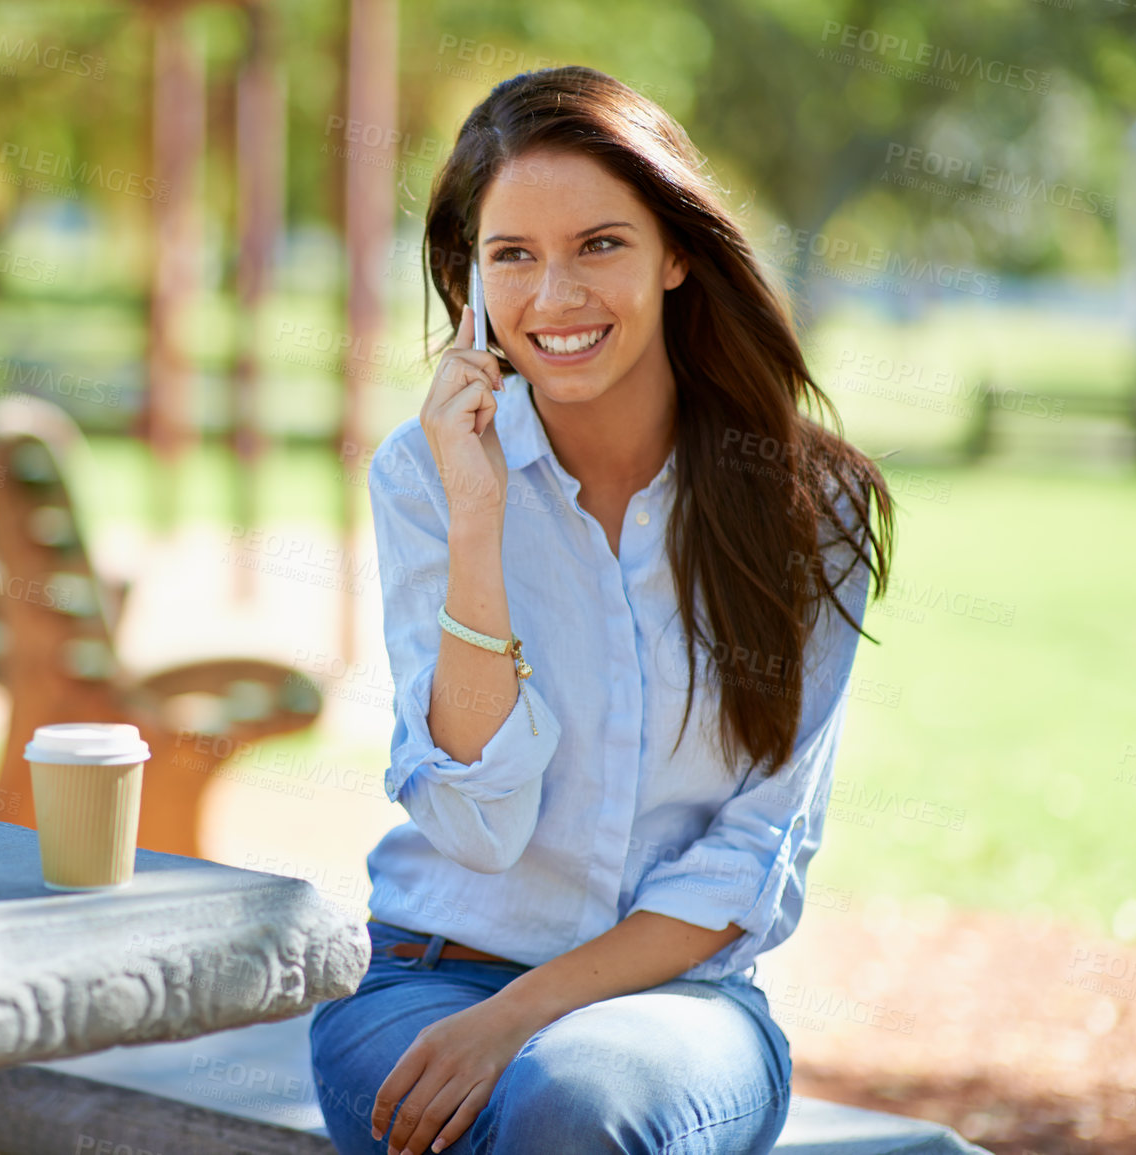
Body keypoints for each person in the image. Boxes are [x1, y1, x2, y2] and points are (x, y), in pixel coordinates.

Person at [308, 65, 895, 1155]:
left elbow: (749, 858)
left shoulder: (810, 506)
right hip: (425, 982)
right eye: (513, 256)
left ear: (677, 253)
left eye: (600, 245)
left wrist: (523, 1017)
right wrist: (478, 515)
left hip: (677, 1013)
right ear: (471, 286)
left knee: (572, 1106)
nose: (556, 297)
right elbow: (476, 826)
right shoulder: (424, 476)